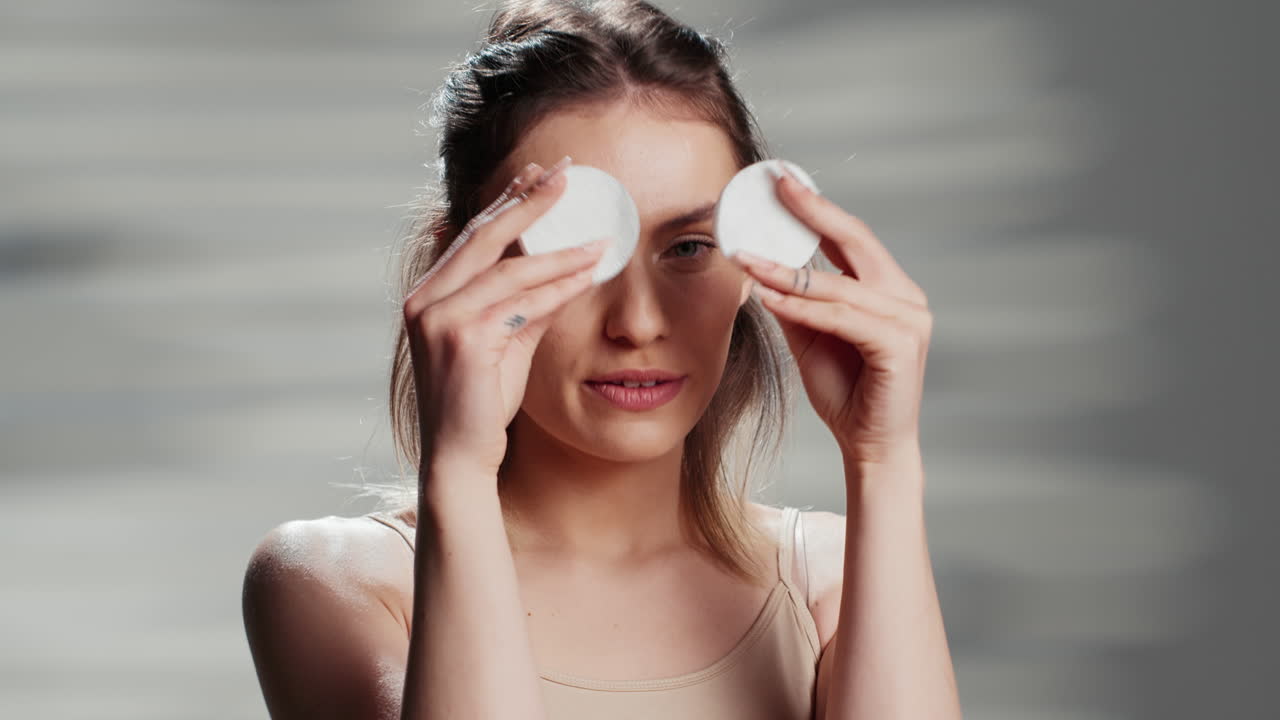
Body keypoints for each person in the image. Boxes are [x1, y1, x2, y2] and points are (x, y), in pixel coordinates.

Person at [240, 1, 961, 718]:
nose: (639, 323)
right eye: (573, 253)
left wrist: (883, 461)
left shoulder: (829, 579)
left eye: (689, 248)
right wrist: (458, 471)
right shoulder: (342, 582)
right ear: (456, 268)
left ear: (753, 264)